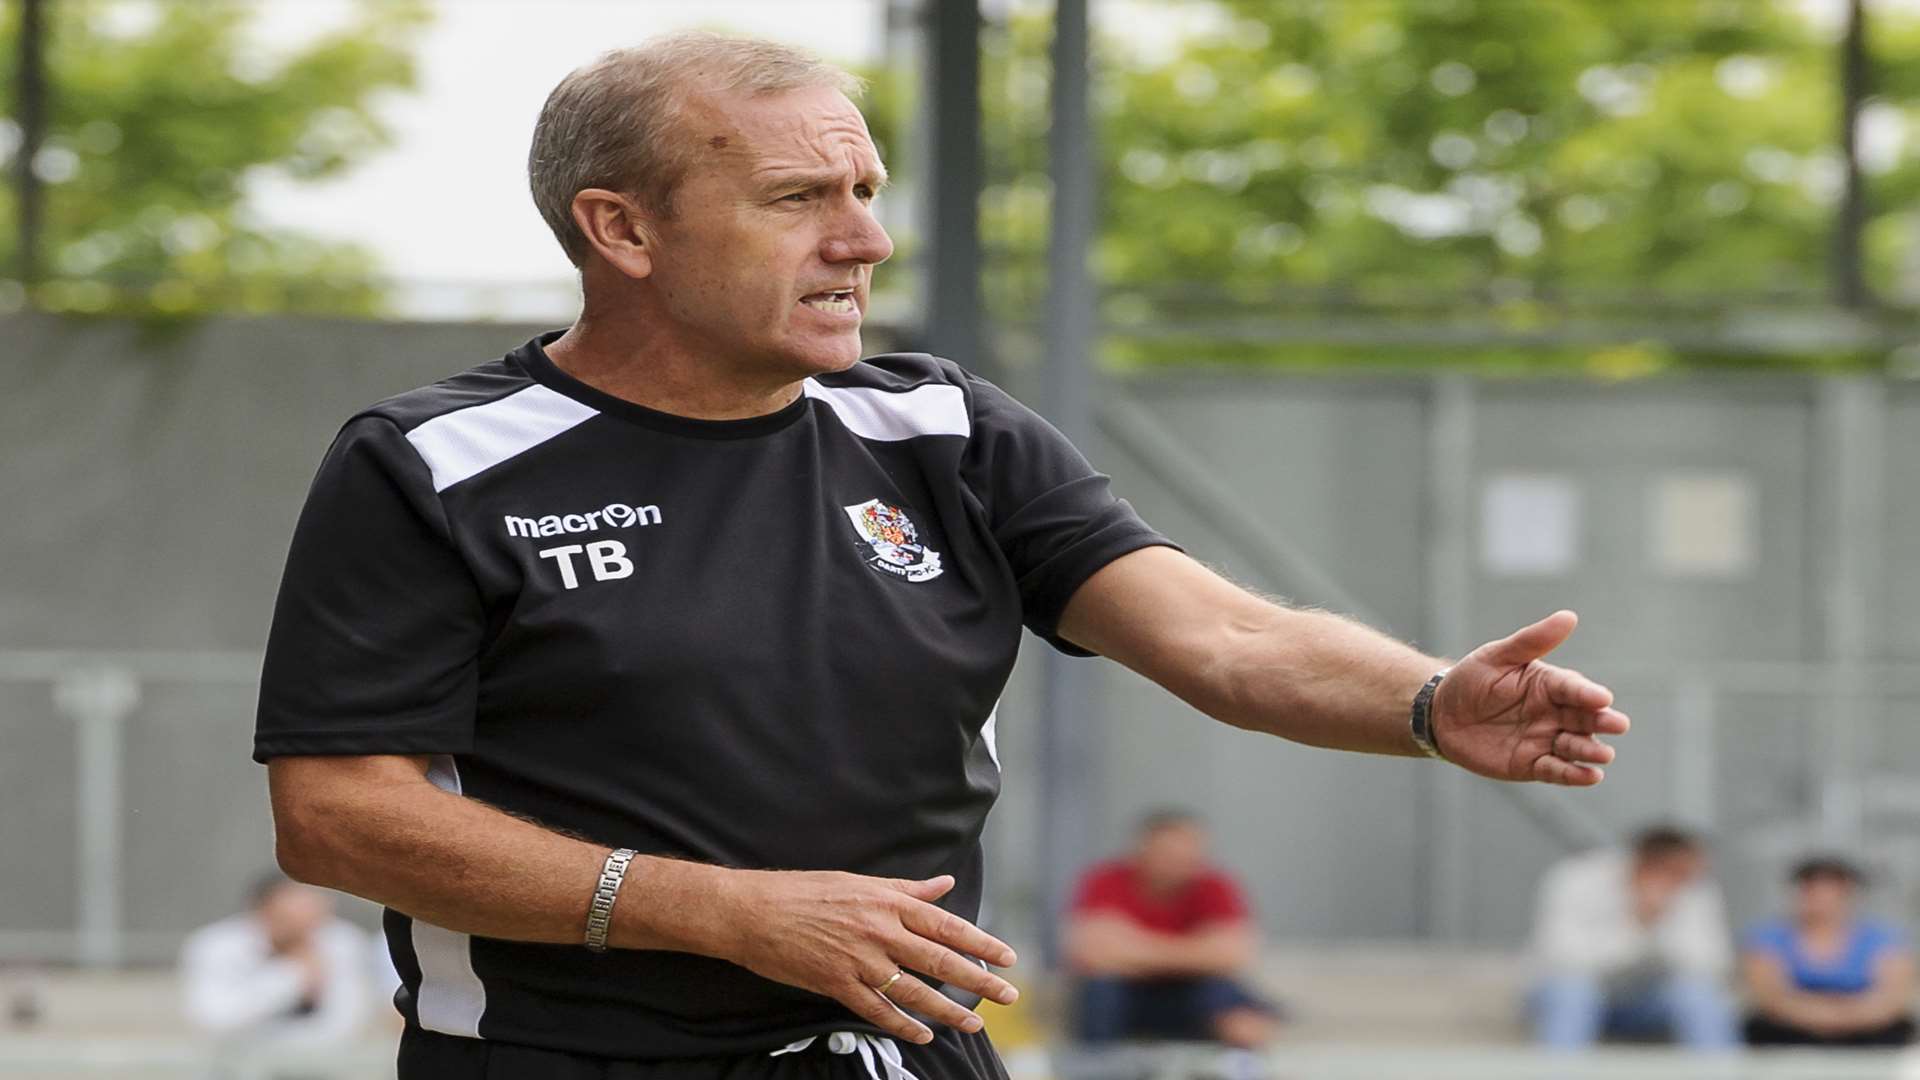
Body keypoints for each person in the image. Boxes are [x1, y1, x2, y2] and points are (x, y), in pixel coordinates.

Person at [255, 31, 1631, 1080]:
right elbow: (341, 815)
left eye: (865, 188)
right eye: (801, 197)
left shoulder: (942, 428)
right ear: (622, 229)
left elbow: (1229, 638)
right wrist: (728, 914)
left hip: (911, 1052)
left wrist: (1426, 702)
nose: (864, 239)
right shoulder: (432, 464)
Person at [1065, 810, 1278, 1049]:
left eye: (1186, 855)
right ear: (1143, 851)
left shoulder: (1215, 885)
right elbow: (1091, 952)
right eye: (1167, 854)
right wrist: (1198, 950)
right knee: (1100, 990)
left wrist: (1134, 947)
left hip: (1193, 994)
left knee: (1233, 1007)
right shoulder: (1106, 880)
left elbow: (1234, 954)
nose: (1176, 863)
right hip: (1127, 994)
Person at [1529, 826, 1736, 1050]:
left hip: (1648, 1001)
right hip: (1572, 994)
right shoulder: (1577, 878)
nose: (1687, 880)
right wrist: (1637, 928)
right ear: (1646, 863)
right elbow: (1562, 955)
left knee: (1699, 997)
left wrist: (1657, 926)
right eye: (1678, 872)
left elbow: (1714, 962)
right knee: (1574, 993)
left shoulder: (1695, 887)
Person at [180, 874, 376, 1046]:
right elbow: (214, 1020)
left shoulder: (342, 942)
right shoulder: (217, 945)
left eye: (317, 916)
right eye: (291, 916)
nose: (305, 927)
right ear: (262, 911)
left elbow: (345, 1025)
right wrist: (292, 976)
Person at [1741, 855, 1915, 1047]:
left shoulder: (1884, 938)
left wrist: (1846, 1017)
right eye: (1813, 889)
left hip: (1867, 1032)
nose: (1822, 898)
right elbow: (1771, 997)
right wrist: (1823, 1017)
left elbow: (1892, 998)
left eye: (1831, 889)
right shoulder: (1768, 938)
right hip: (1790, 1031)